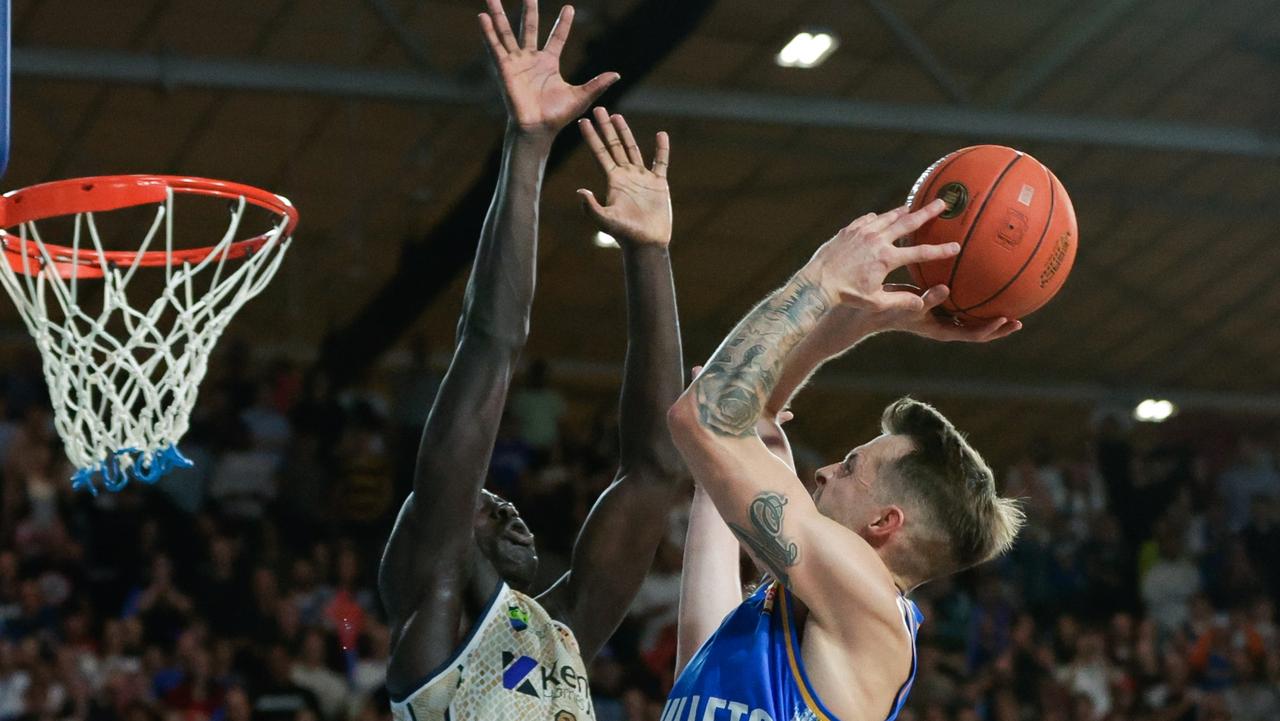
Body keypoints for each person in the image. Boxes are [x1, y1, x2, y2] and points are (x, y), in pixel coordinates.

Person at [378, 1, 685, 718]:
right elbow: (490, 345)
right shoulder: (438, 629)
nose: (512, 514)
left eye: (501, 502)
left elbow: (656, 471)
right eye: (487, 508)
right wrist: (527, 146)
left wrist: (650, 252)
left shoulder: (562, 632)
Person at [666, 201, 1025, 721]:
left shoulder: (869, 597)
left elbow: (703, 419)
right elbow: (748, 424)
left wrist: (824, 279)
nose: (824, 470)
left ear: (884, 523)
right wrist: (856, 326)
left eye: (851, 467)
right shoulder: (795, 616)